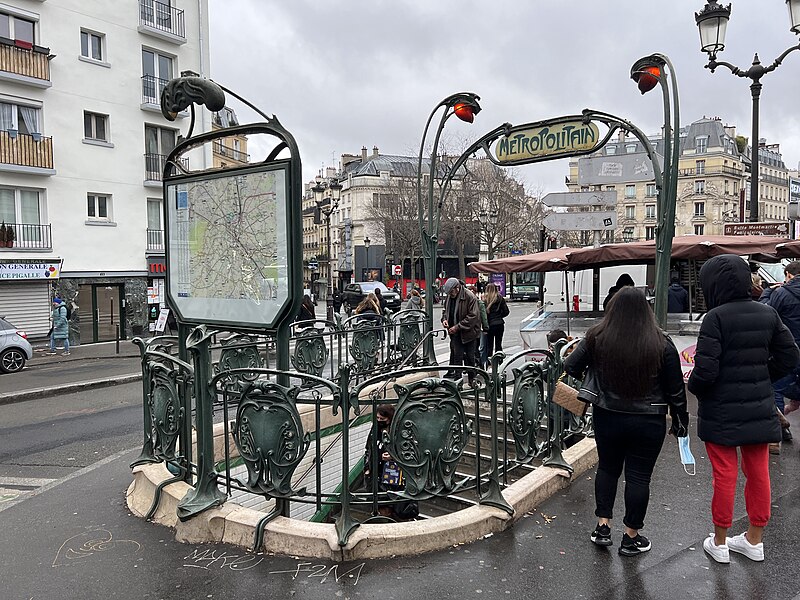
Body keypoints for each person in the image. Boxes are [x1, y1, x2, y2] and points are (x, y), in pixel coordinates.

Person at [689, 254, 799, 564]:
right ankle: (754, 540)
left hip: (720, 410)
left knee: (724, 475)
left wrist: (696, 387)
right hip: (758, 405)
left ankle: (720, 542)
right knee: (758, 472)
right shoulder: (766, 313)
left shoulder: (715, 318)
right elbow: (790, 355)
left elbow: (706, 371)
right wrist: (763, 376)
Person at [563, 287, 689, 557]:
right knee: (639, 477)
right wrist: (681, 421)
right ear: (646, 311)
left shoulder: (598, 336)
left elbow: (571, 365)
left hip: (608, 414)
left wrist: (594, 374)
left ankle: (602, 527)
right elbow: (676, 389)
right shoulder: (662, 342)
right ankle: (631, 537)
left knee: (607, 469)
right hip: (648, 420)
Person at [759, 260, 800, 449]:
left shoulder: (781, 293)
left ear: (789, 275)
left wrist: (768, 292)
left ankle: (776, 435)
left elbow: (767, 314)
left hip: (787, 349)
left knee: (775, 388)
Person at [363, 404, 418, 520]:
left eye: (382, 419)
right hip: (378, 474)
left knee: (397, 506)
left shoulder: (401, 431)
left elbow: (411, 452)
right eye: (377, 418)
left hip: (396, 476)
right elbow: (369, 448)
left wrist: (394, 457)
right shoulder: (375, 430)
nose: (379, 421)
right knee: (381, 504)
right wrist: (368, 468)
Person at [440, 277, 480, 385]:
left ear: (457, 288)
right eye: (448, 293)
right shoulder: (449, 297)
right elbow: (445, 311)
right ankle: (458, 382)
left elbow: (473, 316)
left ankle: (472, 380)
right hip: (455, 333)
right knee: (457, 358)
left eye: (451, 292)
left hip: (469, 333)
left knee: (470, 358)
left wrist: (457, 326)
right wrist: (444, 320)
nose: (450, 294)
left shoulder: (469, 296)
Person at [484, 283, 510, 359]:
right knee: (498, 344)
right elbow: (506, 311)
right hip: (499, 324)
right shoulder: (500, 298)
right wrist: (499, 316)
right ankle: (499, 361)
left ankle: (490, 363)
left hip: (489, 325)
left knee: (489, 345)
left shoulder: (485, 299)